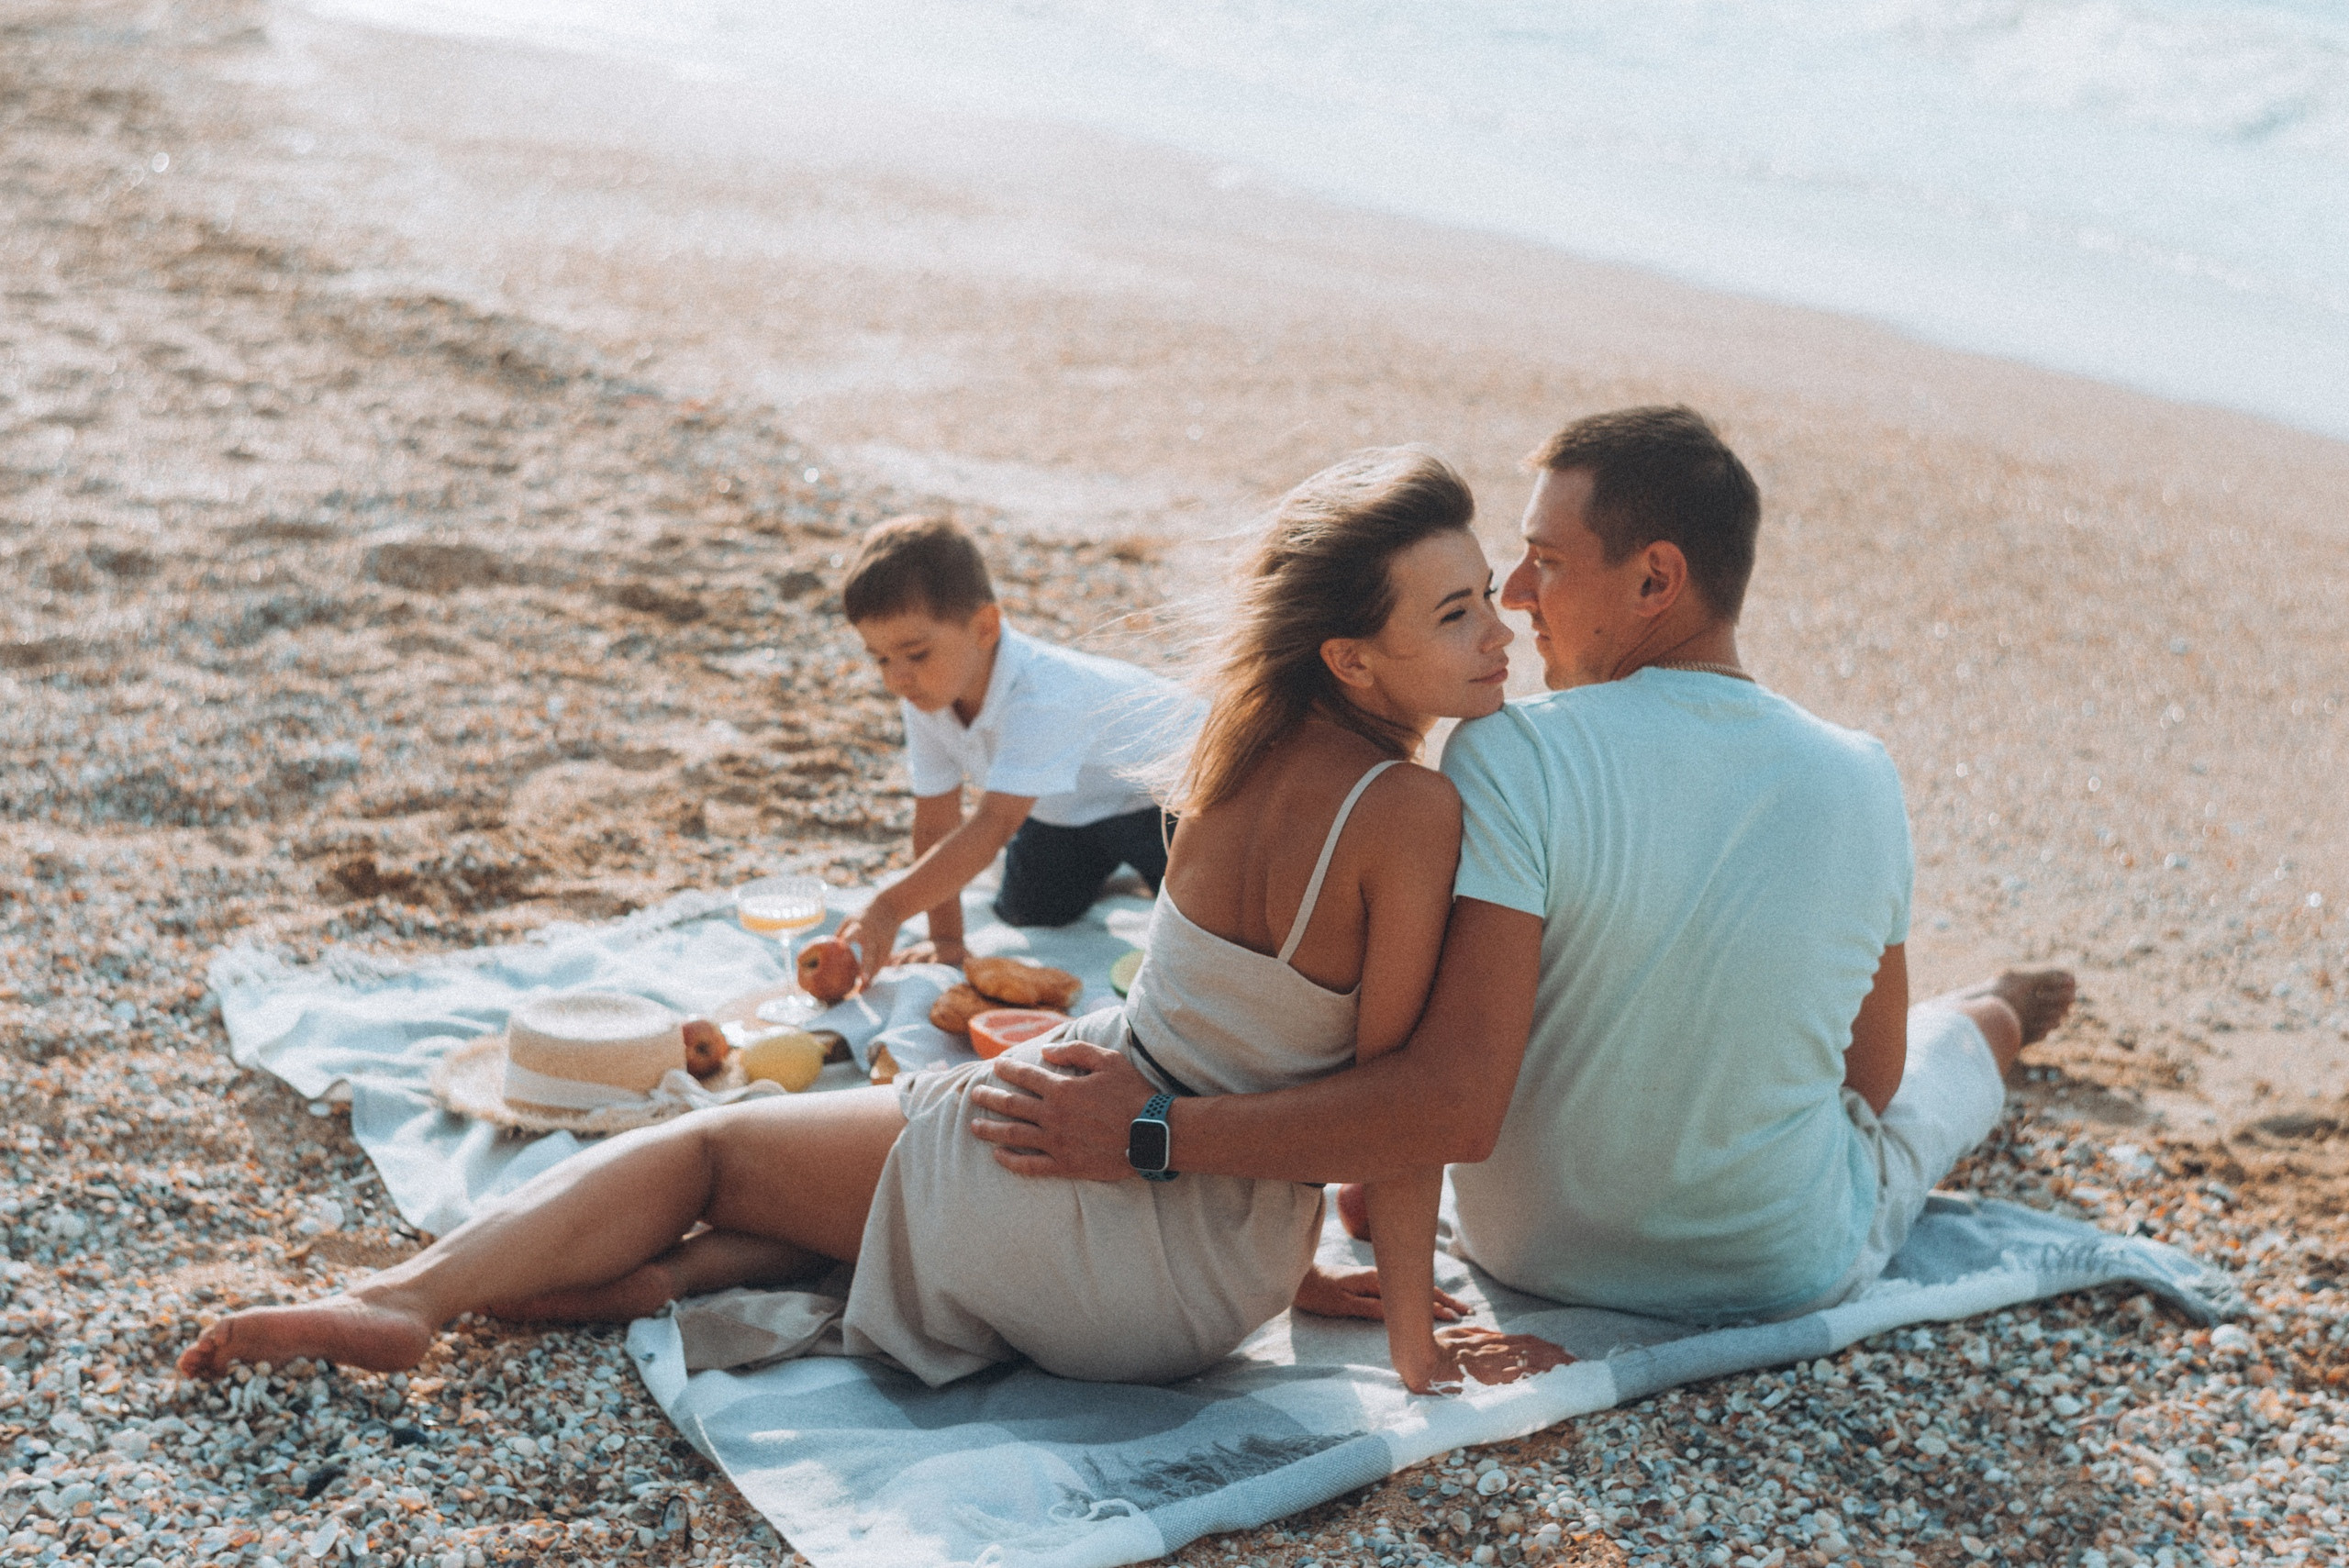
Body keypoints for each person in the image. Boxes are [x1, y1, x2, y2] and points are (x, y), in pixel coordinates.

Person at [178, 450, 1567, 1394]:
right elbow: (1368, 1098)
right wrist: (1387, 1326)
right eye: (1457, 613)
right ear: (1350, 656)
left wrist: (1368, 1306)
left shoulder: (1230, 754)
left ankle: (406, 1301)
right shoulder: (1409, 811)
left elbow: (1365, 1101)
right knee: (813, 1194)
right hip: (1213, 1275)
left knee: (711, 1146)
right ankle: (631, 1282)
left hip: (1111, 1203)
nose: (1497, 631)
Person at [971, 406, 2076, 1326]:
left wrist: (1158, 1132)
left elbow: (1442, 1073)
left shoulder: (1513, 753)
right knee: (1924, 1083)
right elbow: (1869, 1084)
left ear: (1656, 579)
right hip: (1777, 1266)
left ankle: (1989, 1010)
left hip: (1524, 1249)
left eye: (1544, 562)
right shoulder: (1863, 775)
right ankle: (1996, 1016)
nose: (1516, 599)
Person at [832, 514, 1200, 983]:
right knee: (1027, 911)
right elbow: (936, 823)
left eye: (916, 653)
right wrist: (945, 939)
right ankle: (1120, 871)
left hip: (1170, 797)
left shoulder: (1041, 693)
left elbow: (992, 826)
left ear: (985, 627)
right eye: (881, 658)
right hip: (1068, 809)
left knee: (1195, 926)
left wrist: (888, 908)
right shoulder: (926, 695)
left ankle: (1153, 873)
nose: (896, 677)